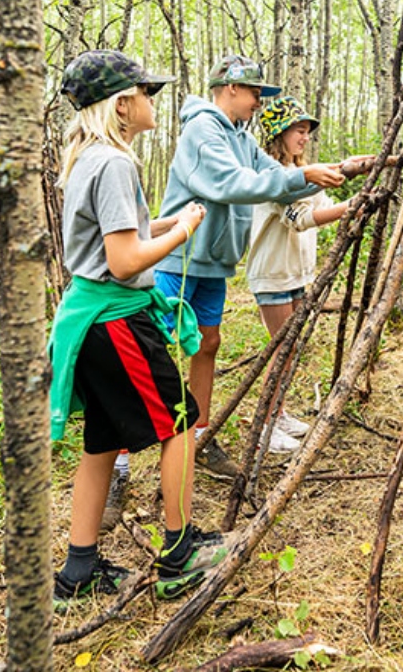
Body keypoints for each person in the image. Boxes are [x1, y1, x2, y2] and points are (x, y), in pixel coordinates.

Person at [45, 50, 230, 604]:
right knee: (179, 424)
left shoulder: (88, 159)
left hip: (89, 320)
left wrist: (168, 221)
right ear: (123, 105)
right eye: (146, 93)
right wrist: (186, 229)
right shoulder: (117, 164)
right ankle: (179, 554)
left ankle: (78, 569)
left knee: (102, 443)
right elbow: (125, 261)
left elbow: (119, 233)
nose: (153, 100)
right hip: (116, 320)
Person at [151, 55, 371, 479]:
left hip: (215, 262)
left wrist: (342, 169)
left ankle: (199, 437)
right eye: (254, 92)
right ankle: (122, 459)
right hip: (180, 256)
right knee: (152, 349)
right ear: (231, 88)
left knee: (207, 345)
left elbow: (277, 177)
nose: (258, 101)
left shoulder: (241, 137)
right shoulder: (202, 130)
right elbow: (233, 184)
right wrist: (302, 174)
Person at [242, 96, 353, 455]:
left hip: (294, 273)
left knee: (290, 350)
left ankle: (280, 412)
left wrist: (345, 192)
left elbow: (318, 206)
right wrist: (349, 208)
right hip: (272, 273)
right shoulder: (271, 178)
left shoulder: (303, 175)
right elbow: (300, 219)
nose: (305, 138)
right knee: (281, 350)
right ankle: (266, 426)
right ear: (280, 134)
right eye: (298, 131)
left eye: (307, 131)